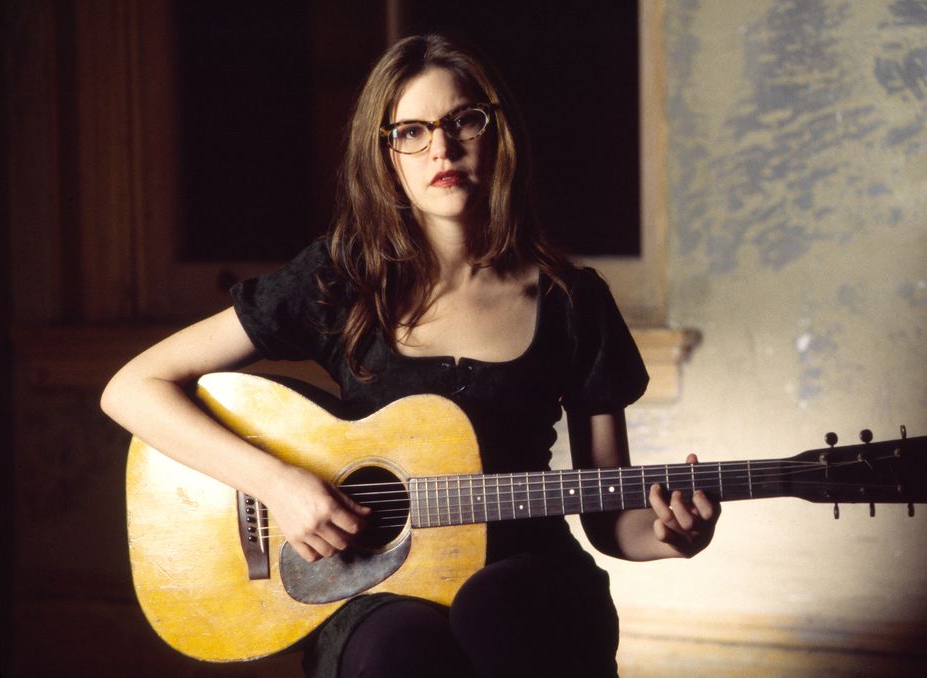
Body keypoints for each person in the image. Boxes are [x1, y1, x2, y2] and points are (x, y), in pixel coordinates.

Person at [101, 33, 720, 678]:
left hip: (526, 574)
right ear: (386, 156)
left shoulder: (571, 299)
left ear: (497, 133)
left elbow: (610, 517)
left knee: (497, 609)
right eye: (412, 132)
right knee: (400, 649)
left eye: (462, 122)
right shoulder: (340, 280)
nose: (442, 149)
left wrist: (670, 537)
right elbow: (131, 387)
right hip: (374, 584)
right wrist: (276, 483)